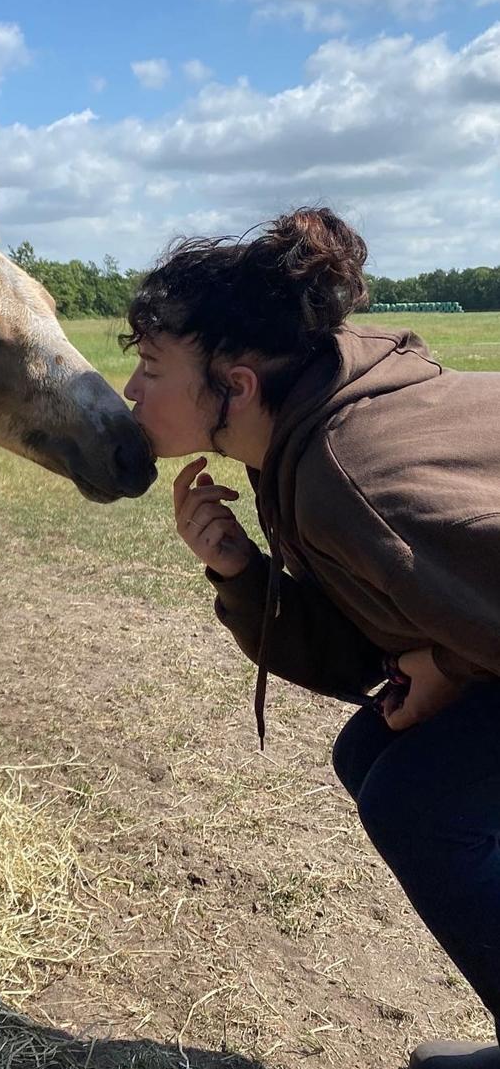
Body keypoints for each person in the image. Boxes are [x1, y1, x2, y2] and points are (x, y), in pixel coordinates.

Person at [121, 207, 500, 1069]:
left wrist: (450, 661)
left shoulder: (353, 476)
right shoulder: (300, 440)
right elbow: (359, 649)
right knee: (374, 758)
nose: (131, 395)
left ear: (238, 384)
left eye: (149, 368)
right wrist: (240, 574)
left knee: (420, 802)